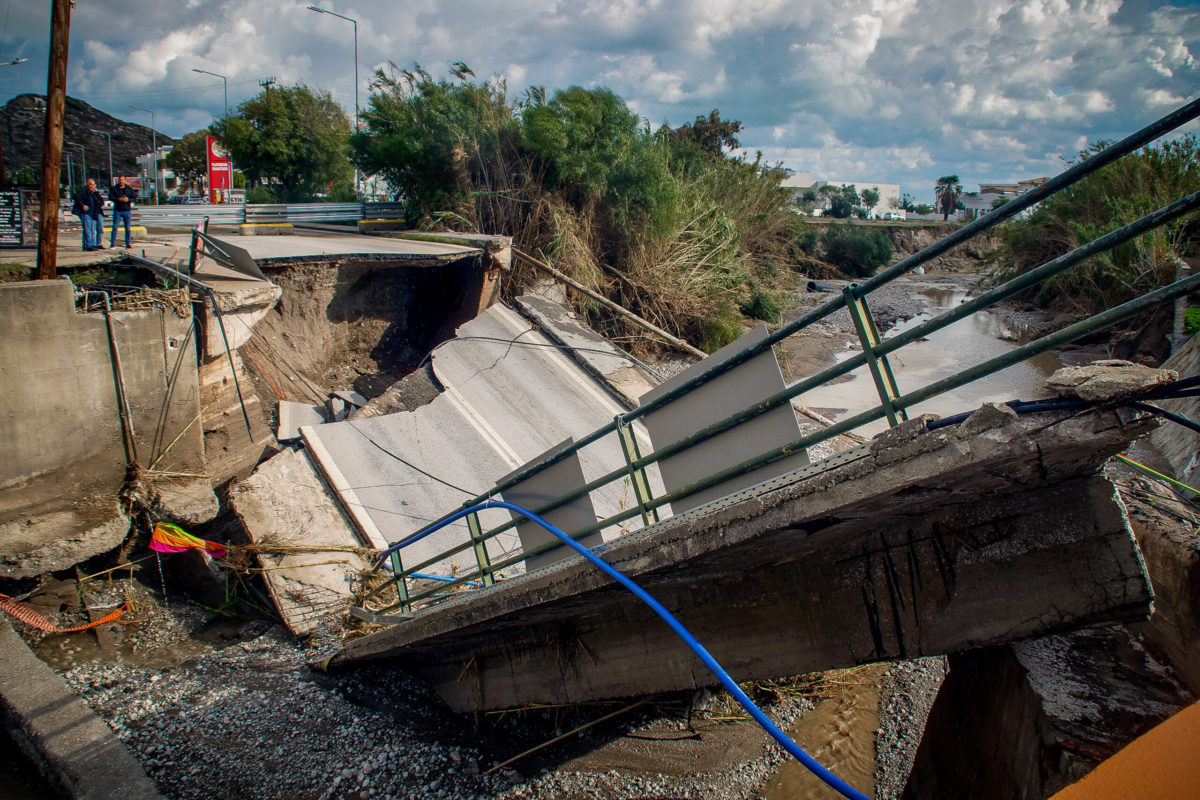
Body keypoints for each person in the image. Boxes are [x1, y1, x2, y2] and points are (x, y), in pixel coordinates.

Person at [71, 179, 105, 251]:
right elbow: (76, 196)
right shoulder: (83, 191)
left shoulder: (94, 193)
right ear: (88, 185)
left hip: (93, 213)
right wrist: (82, 205)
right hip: (86, 213)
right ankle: (88, 245)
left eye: (94, 185)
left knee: (91, 230)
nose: (93, 186)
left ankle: (91, 244)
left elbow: (101, 201)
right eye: (91, 185)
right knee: (88, 230)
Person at [109, 176, 136, 248]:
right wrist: (118, 199)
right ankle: (112, 243)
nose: (121, 181)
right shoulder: (114, 189)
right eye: (120, 180)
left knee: (127, 228)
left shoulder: (129, 189)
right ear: (118, 181)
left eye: (123, 180)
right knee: (115, 227)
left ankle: (128, 243)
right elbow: (110, 197)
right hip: (117, 210)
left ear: (125, 181)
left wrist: (128, 199)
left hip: (127, 210)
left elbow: (134, 198)